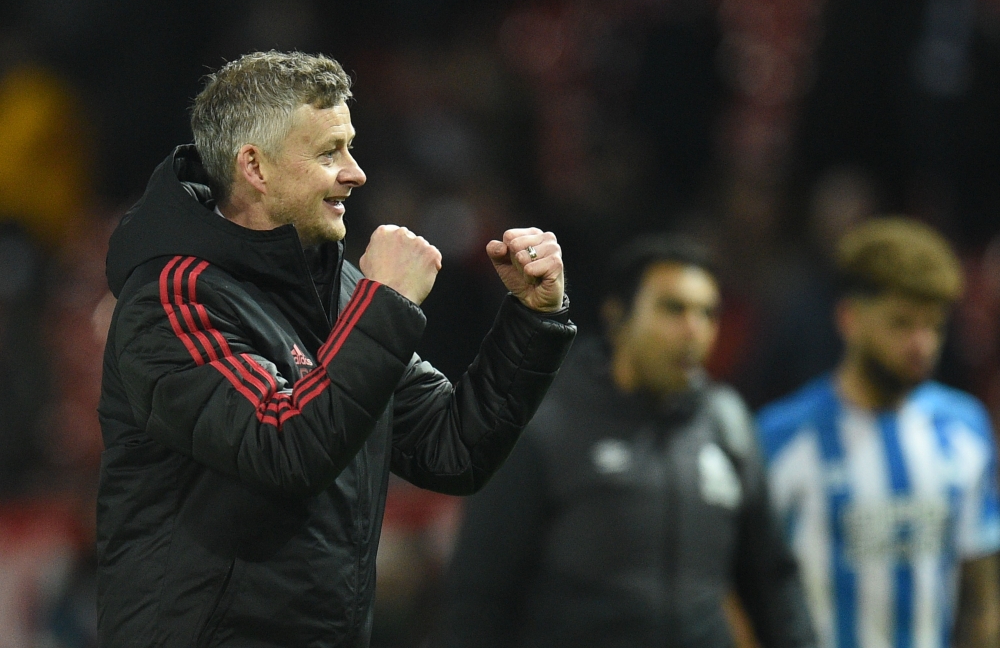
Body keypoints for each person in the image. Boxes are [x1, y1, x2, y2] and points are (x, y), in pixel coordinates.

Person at [95, 51, 576, 647]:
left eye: (349, 147)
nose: (356, 172)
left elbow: (454, 447)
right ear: (255, 166)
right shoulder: (174, 299)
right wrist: (388, 305)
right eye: (329, 153)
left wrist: (532, 317)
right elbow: (285, 445)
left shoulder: (337, 288)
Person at [435, 235, 816, 648]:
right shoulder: (543, 422)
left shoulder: (728, 424)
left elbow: (772, 584)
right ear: (618, 316)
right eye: (673, 309)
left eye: (708, 313)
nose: (694, 330)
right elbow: (479, 594)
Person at [757, 217, 1000, 648]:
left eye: (935, 327)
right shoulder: (782, 437)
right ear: (849, 318)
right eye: (902, 323)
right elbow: (745, 593)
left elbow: (982, 598)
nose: (921, 344)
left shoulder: (964, 430)